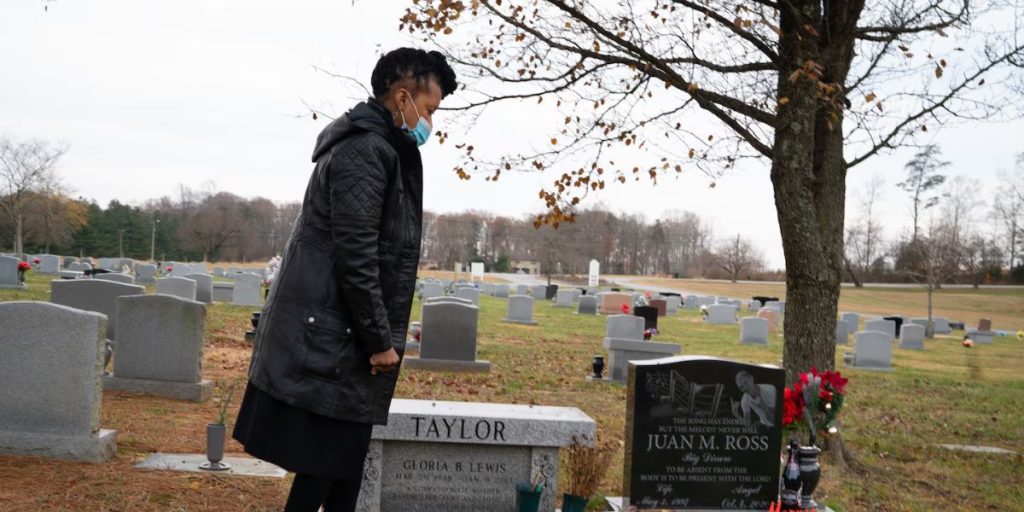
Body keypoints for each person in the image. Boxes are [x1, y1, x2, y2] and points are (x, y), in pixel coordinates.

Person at [233, 48, 457, 512]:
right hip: (338, 337)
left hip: (342, 334)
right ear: (402, 96)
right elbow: (357, 255)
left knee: (340, 472)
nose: (431, 123)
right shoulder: (364, 150)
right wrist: (378, 340)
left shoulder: (384, 147)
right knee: (325, 471)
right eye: (429, 109)